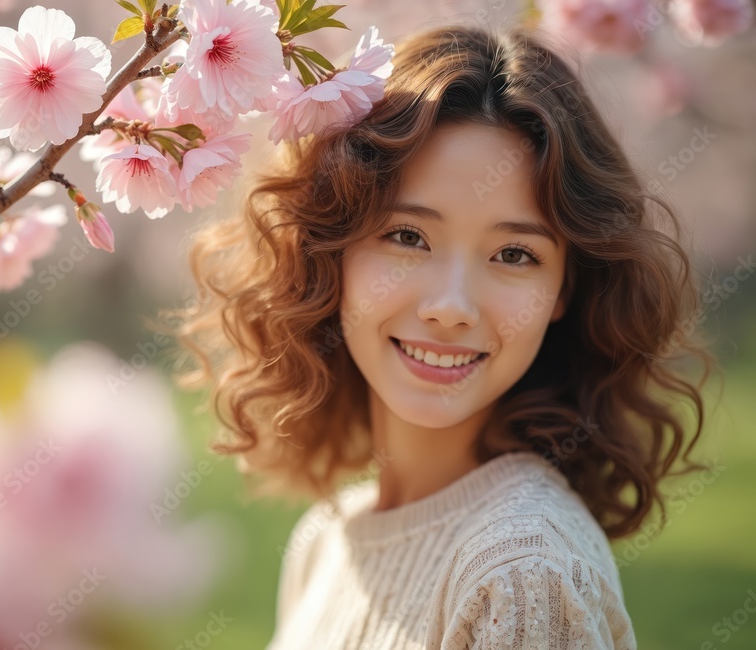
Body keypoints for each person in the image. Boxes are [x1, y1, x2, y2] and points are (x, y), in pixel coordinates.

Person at [161, 21, 717, 650]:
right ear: (331, 252)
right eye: (407, 237)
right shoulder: (325, 542)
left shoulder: (521, 574)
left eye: (513, 254)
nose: (451, 307)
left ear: (564, 290)